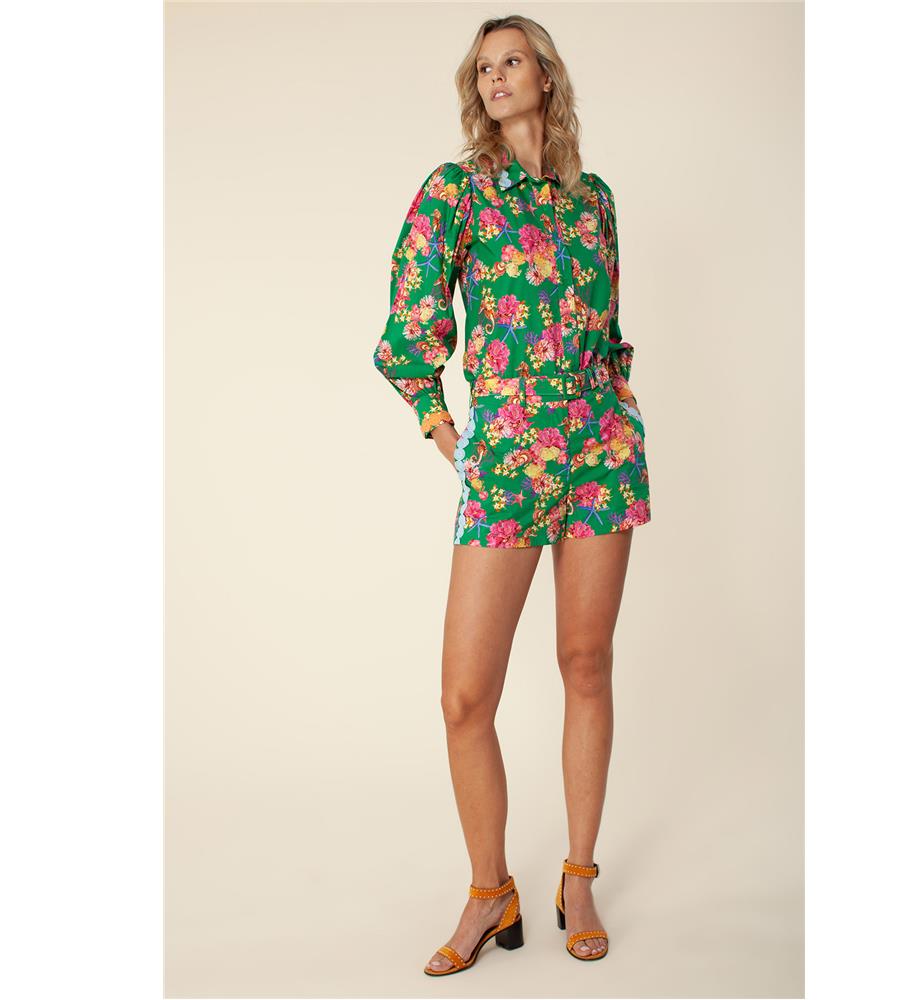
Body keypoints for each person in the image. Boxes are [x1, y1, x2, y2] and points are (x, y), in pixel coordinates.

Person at [371, 13, 652, 975]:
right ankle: (490, 892)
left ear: (546, 77)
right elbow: (407, 332)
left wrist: (616, 397)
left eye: (512, 61)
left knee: (586, 662)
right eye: (483, 67)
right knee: (465, 696)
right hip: (507, 460)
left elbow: (608, 327)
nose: (495, 77)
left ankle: (579, 875)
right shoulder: (456, 192)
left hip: (600, 452)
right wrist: (446, 428)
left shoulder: (594, 201)